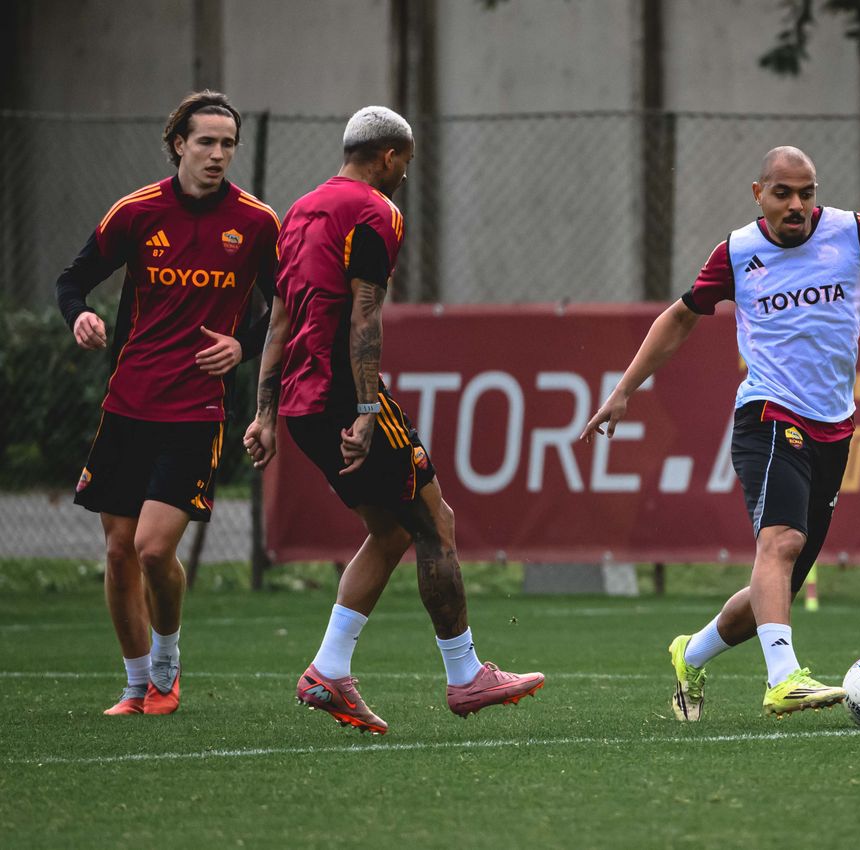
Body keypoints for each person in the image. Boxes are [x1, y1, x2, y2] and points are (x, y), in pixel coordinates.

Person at [582, 146, 860, 720]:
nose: (798, 205)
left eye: (807, 192)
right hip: (769, 415)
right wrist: (625, 389)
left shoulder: (853, 233)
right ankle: (783, 679)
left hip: (835, 428)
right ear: (760, 194)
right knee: (779, 543)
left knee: (775, 580)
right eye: (783, 193)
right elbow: (680, 315)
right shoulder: (737, 252)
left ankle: (691, 652)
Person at [243, 106, 544, 736]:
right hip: (343, 398)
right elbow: (364, 316)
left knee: (391, 533)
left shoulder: (297, 211)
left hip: (299, 405)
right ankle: (465, 677)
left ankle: (329, 669)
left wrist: (265, 414)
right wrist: (362, 410)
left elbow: (277, 319)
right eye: (405, 160)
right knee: (435, 522)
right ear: (388, 156)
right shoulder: (375, 211)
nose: (406, 172)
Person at [55, 90, 279, 716]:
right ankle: (135, 687)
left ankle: (167, 662)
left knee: (155, 548)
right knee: (119, 550)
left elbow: (289, 305)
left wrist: (243, 343)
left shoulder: (257, 222)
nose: (217, 154)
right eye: (205, 141)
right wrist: (79, 317)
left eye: (227, 144)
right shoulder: (137, 211)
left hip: (196, 410)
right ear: (178, 143)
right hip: (126, 405)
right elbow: (71, 280)